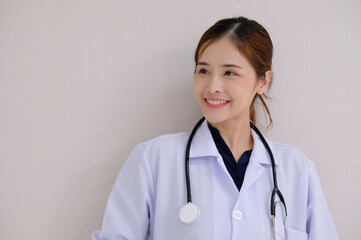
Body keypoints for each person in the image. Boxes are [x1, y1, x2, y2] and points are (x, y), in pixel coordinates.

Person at [92, 16, 338, 240]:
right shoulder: (153, 160)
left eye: (230, 72)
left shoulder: (296, 170)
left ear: (263, 81)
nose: (212, 87)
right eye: (204, 70)